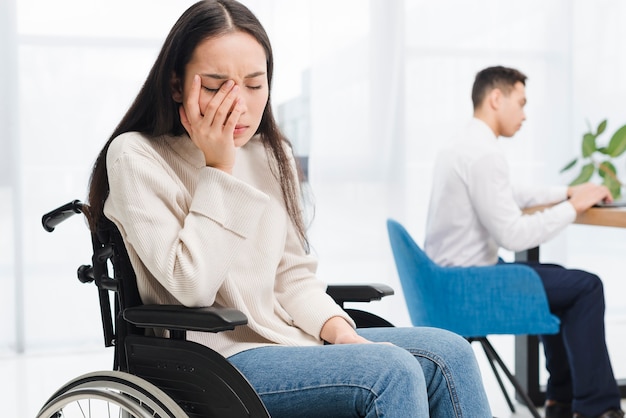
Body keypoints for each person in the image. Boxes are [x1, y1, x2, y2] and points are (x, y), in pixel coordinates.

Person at [85, 1, 493, 416]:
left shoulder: (269, 152)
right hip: (210, 357)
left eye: (254, 84)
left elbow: (290, 276)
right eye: (215, 86)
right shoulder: (135, 156)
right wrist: (219, 167)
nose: (238, 104)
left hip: (286, 340)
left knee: (450, 353)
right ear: (176, 86)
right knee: (390, 372)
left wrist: (340, 333)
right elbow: (192, 288)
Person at [424, 65, 624, 418]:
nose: (525, 114)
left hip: (450, 279)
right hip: (471, 285)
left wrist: (566, 192)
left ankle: (560, 401)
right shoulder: (484, 154)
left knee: (561, 278)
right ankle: (596, 408)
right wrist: (572, 207)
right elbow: (512, 234)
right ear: (496, 98)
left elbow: (509, 194)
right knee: (586, 287)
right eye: (521, 102)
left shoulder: (462, 145)